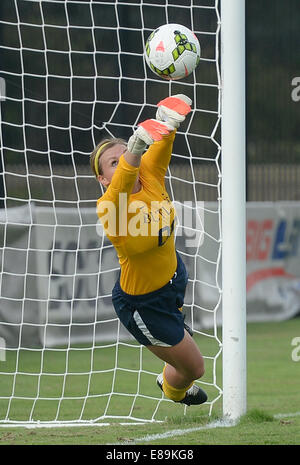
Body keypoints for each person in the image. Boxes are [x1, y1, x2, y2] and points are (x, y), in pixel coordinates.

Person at [91, 94, 207, 406]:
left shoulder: (149, 175)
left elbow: (160, 149)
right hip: (143, 305)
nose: (125, 162)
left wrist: (168, 121)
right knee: (195, 368)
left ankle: (174, 362)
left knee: (187, 358)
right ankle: (172, 390)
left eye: (125, 156)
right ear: (102, 178)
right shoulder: (109, 206)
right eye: (113, 162)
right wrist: (134, 151)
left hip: (173, 280)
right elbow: (121, 187)